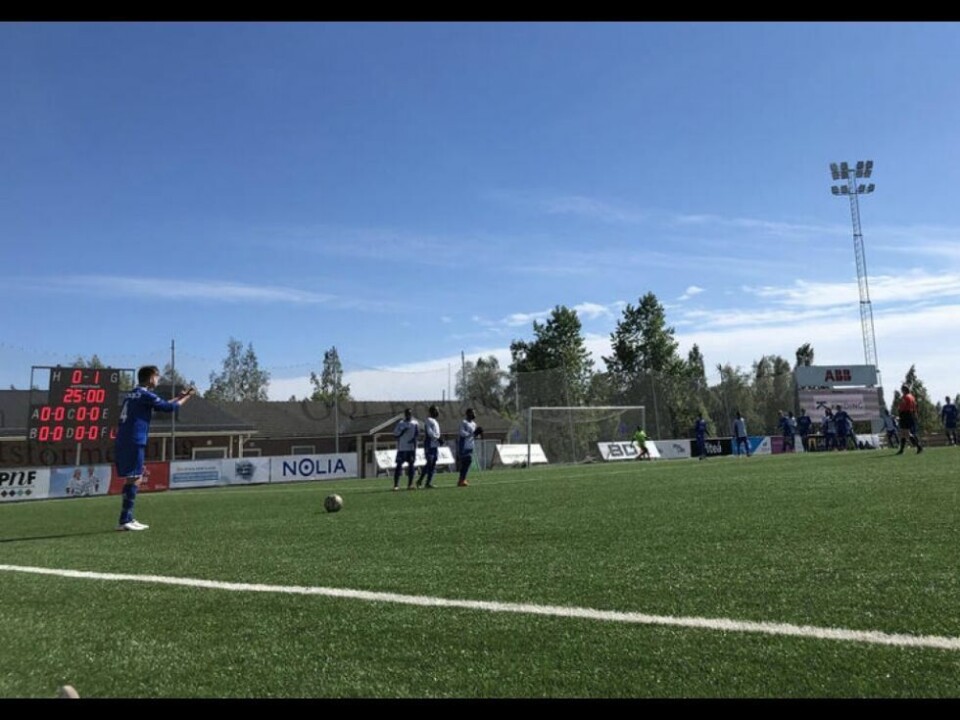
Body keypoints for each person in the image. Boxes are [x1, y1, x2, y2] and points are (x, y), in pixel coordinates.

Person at [115, 365, 195, 531]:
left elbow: (162, 404)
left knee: (134, 477)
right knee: (135, 477)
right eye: (157, 376)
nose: (158, 380)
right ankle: (125, 519)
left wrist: (179, 396)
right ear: (151, 378)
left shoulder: (133, 394)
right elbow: (170, 408)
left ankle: (127, 518)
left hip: (126, 438)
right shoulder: (145, 395)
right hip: (135, 439)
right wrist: (187, 397)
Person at [392, 408, 420, 490]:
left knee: (411, 465)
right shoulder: (401, 423)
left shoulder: (415, 423)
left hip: (411, 448)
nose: (409, 415)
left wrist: (414, 440)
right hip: (402, 448)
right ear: (405, 414)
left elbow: (417, 434)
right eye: (407, 414)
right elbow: (395, 435)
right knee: (399, 465)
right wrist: (402, 432)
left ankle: (410, 485)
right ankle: (396, 485)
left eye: (410, 414)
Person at [416, 405, 442, 489]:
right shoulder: (428, 420)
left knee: (433, 463)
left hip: (435, 445)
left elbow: (437, 433)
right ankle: (420, 480)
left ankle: (428, 483)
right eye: (436, 410)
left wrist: (439, 439)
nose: (438, 412)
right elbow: (430, 432)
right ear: (431, 411)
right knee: (429, 462)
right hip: (429, 444)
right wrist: (438, 438)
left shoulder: (435, 421)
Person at [457, 407, 482, 487]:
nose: (474, 414)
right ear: (468, 414)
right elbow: (462, 433)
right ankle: (462, 479)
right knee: (467, 461)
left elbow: (474, 436)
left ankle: (462, 479)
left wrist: (477, 434)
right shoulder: (464, 422)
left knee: (467, 463)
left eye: (475, 413)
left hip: (471, 445)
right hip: (464, 445)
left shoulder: (474, 424)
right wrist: (473, 434)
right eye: (473, 413)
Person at [897, 384, 923, 455]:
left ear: (904, 390)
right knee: (903, 433)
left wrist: (899, 412)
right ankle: (902, 450)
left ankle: (919, 447)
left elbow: (901, 407)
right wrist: (915, 415)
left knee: (906, 433)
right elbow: (915, 407)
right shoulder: (912, 397)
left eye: (902, 389)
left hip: (905, 415)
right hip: (910, 415)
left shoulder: (905, 397)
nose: (901, 391)